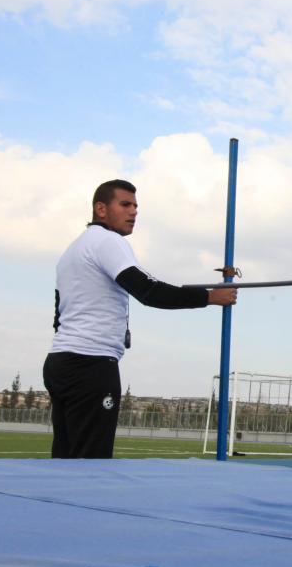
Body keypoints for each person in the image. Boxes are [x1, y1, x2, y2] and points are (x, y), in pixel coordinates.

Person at [43, 179, 238, 459]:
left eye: (136, 206)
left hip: (59, 362)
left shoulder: (71, 251)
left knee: (65, 456)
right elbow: (149, 291)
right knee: (90, 463)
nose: (133, 212)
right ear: (101, 208)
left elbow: (58, 317)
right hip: (91, 364)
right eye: (125, 205)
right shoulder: (108, 241)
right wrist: (208, 297)